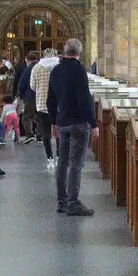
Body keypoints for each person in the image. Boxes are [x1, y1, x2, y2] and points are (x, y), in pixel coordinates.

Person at [48, 38, 96, 216]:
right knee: (76, 164)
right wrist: (93, 123)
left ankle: (62, 201)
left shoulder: (56, 70)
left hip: (62, 122)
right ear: (79, 52)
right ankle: (73, 202)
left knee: (62, 162)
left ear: (65, 51)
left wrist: (53, 121)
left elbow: (50, 100)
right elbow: (84, 99)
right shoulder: (79, 70)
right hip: (78, 122)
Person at [30, 46, 60, 166]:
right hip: (58, 104)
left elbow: (32, 85)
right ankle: (58, 155)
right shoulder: (59, 66)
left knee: (46, 133)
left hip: (42, 103)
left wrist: (41, 90)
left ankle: (50, 159)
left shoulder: (37, 67)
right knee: (59, 131)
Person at [16, 50, 39, 143]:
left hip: (30, 96)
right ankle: (40, 135)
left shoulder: (28, 69)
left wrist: (21, 95)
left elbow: (22, 84)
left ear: (27, 60)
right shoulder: (40, 68)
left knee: (27, 116)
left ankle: (29, 134)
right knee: (40, 116)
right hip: (41, 96)